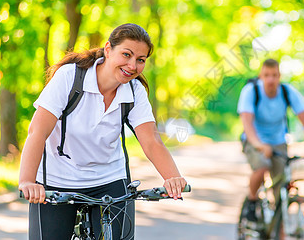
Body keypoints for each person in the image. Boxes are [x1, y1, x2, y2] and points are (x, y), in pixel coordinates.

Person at [19, 23, 187, 239]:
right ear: (108, 49)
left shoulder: (134, 91)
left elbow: (151, 140)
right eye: (126, 54)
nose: (132, 65)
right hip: (58, 178)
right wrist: (27, 181)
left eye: (140, 60)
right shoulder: (70, 77)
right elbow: (37, 132)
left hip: (109, 178)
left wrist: (172, 177)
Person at [237, 58, 304, 222]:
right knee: (262, 167)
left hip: (278, 141)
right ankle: (252, 201)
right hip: (254, 139)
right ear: (261, 76)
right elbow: (247, 123)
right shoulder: (251, 91)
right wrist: (260, 145)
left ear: (279, 76)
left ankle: (278, 231)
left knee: (280, 190)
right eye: (266, 75)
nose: (270, 79)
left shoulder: (288, 92)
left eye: (274, 75)